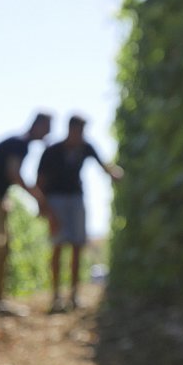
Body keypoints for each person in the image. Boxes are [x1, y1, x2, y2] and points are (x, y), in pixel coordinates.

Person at [0, 114, 55, 316]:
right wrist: (38, 198)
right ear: (38, 125)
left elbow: (0, 173)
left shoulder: (18, 143)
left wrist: (2, 198)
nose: (49, 133)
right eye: (48, 127)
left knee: (1, 247)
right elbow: (13, 173)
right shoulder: (20, 144)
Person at [37, 115, 122, 313]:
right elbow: (40, 179)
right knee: (57, 246)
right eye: (79, 131)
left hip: (76, 199)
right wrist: (43, 206)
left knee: (77, 245)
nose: (81, 135)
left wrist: (115, 173)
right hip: (55, 200)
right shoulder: (52, 151)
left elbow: (104, 166)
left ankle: (74, 295)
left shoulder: (85, 147)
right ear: (70, 129)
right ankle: (56, 295)